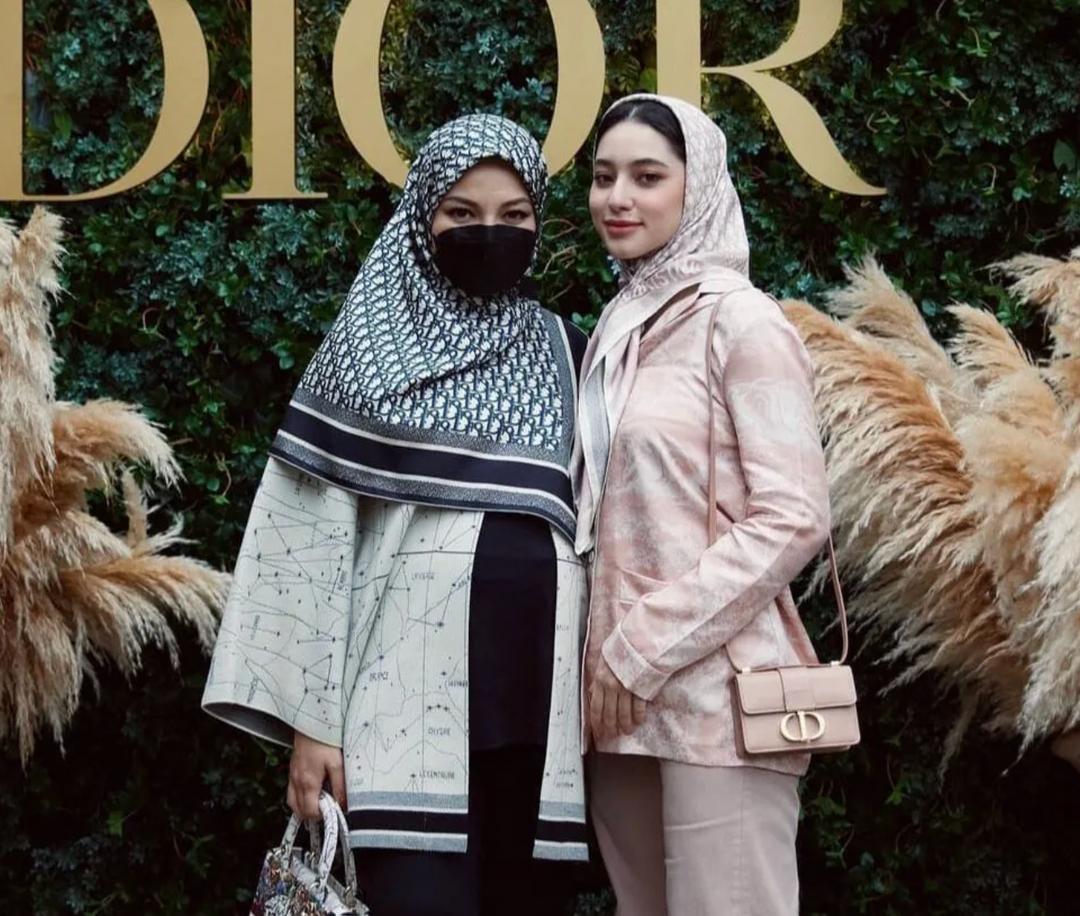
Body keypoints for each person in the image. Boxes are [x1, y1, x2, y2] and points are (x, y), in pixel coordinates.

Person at [203, 113, 590, 916]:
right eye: (462, 213)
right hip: (399, 724)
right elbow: (307, 550)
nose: (490, 232)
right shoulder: (369, 353)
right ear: (420, 220)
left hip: (542, 719)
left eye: (514, 215)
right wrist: (313, 727)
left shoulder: (569, 352)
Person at [572, 94, 831, 916]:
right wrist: (608, 661)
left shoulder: (742, 321)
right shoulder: (621, 326)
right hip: (618, 705)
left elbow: (794, 515)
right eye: (604, 177)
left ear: (700, 186)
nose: (618, 198)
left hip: (718, 703)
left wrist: (642, 644)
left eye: (647, 177)